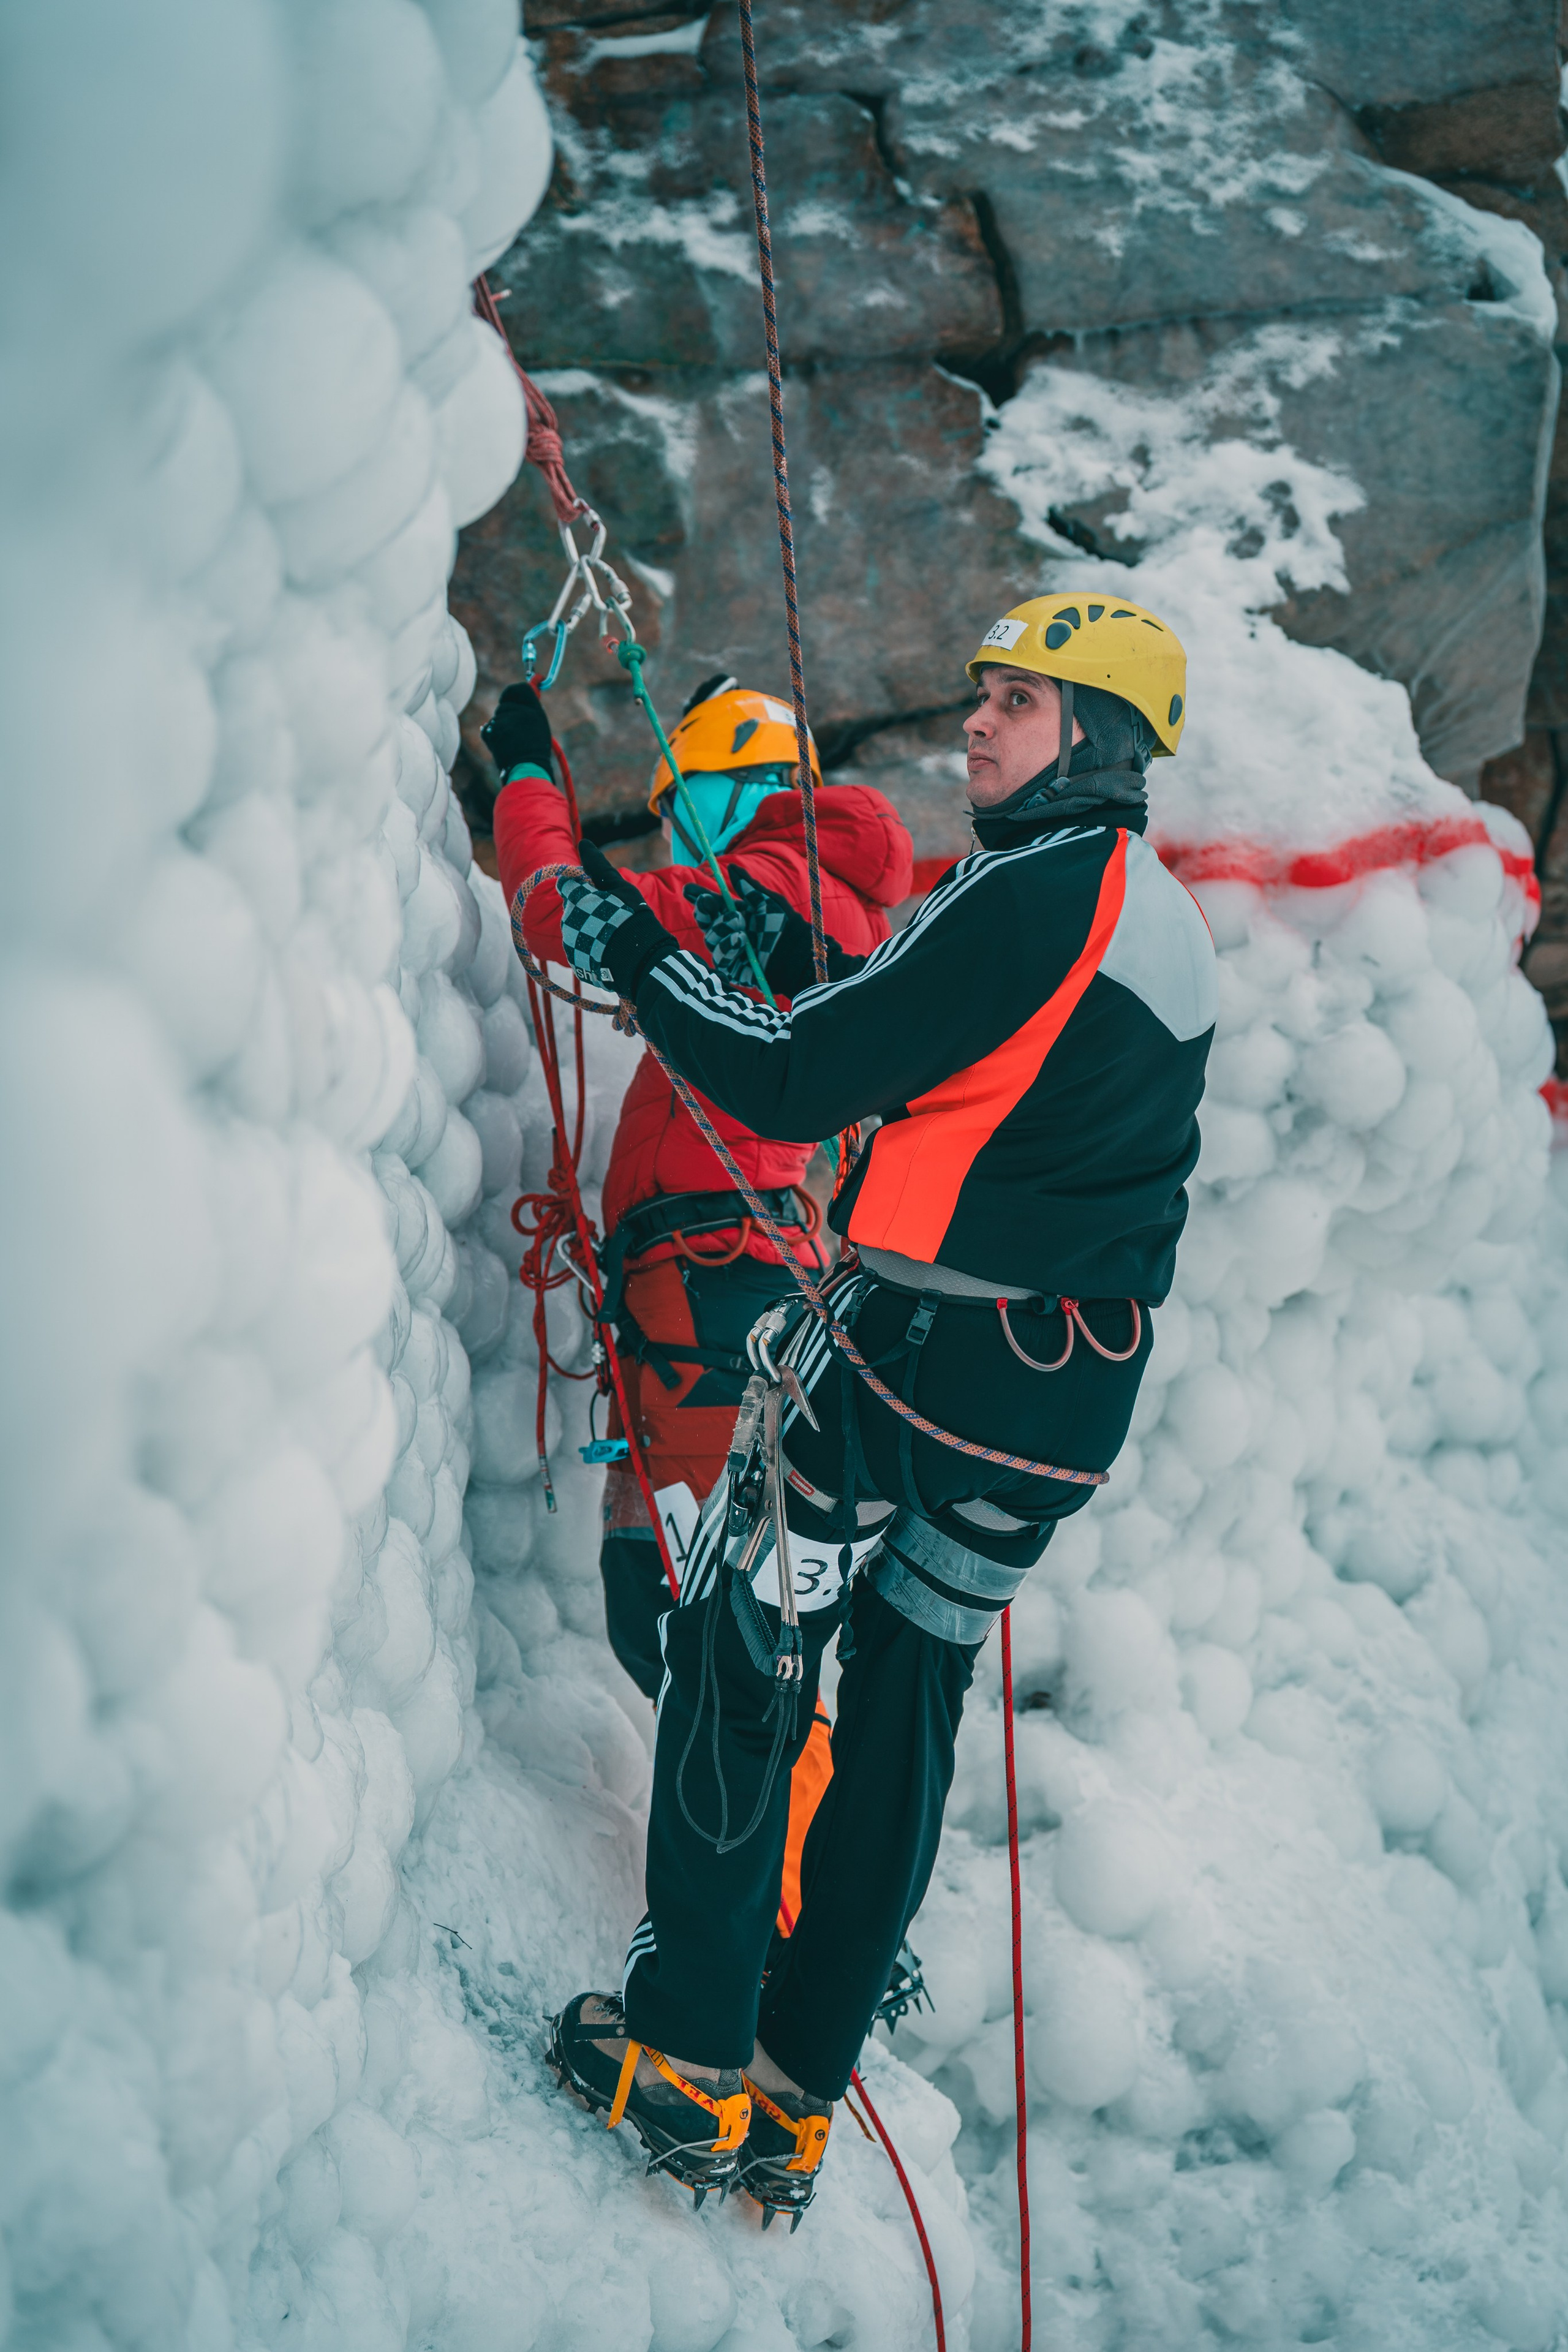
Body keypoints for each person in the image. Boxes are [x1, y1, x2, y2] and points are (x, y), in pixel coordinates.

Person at [542, 593, 1216, 2222]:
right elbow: (988, 1084)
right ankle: (792, 2097)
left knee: (742, 1646)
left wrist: (627, 944)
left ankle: (687, 2049)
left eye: (1018, 701)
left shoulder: (1040, 891)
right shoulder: (1154, 915)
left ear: (1100, 738)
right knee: (905, 1707)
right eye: (982, 692)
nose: (976, 722)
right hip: (1056, 1409)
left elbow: (786, 1078)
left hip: (916, 1362)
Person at [485, 674, 913, 1913]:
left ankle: (790, 1928)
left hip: (720, 1299)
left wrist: (525, 772)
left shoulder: (785, 893)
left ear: (743, 797)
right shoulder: (815, 901)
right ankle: (797, 1915)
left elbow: (562, 912)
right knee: (663, 1608)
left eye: (690, 809)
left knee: (716, 1638)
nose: (676, 841)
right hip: (707, 1298)